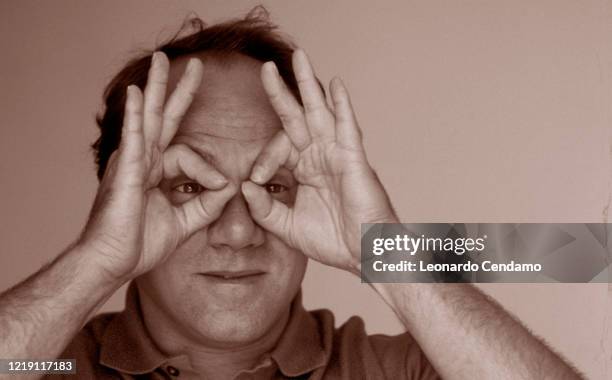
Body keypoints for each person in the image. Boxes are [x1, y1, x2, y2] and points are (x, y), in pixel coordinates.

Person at [0, 10, 582, 380]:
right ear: (114, 198)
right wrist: (95, 262)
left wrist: (382, 252)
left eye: (271, 185)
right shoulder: (44, 364)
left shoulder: (395, 371)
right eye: (188, 185)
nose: (237, 231)